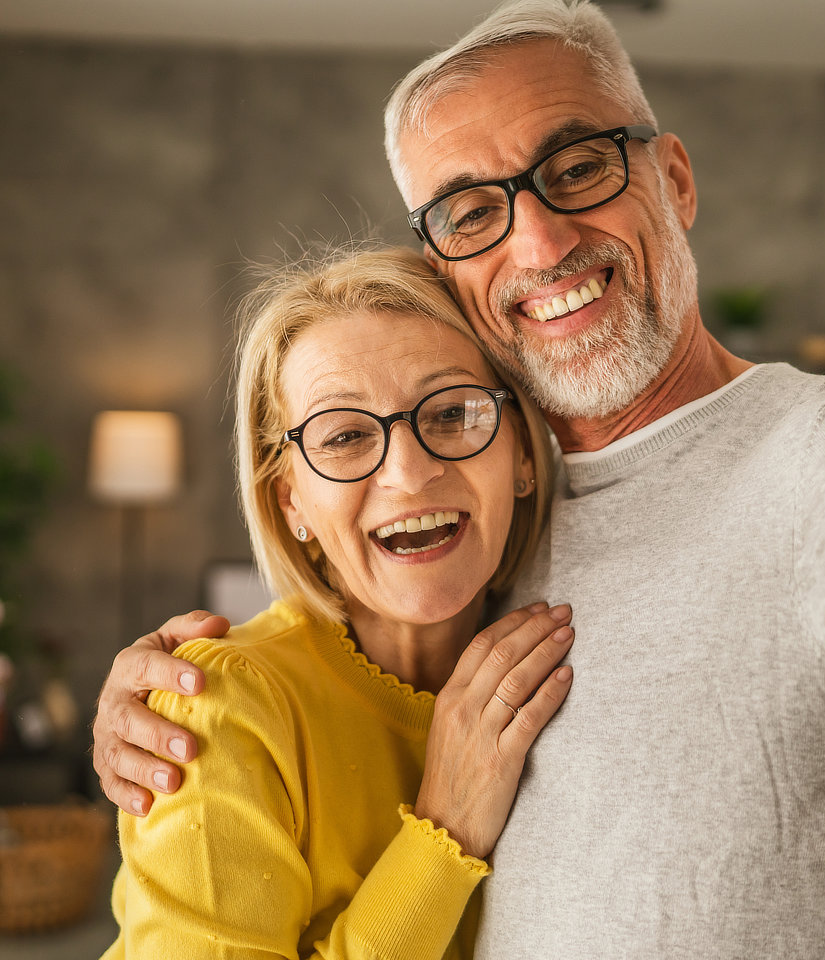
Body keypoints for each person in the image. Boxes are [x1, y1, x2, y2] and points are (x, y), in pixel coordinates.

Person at [94, 1, 825, 957]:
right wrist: (184, 701)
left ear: (673, 179)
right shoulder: (498, 540)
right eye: (473, 211)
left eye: (580, 166)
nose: (541, 243)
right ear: (450, 266)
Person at [99, 244, 575, 959]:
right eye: (346, 436)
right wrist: (445, 832)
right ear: (291, 502)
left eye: (451, 413)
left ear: (523, 458)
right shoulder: (218, 708)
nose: (409, 474)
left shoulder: (567, 654)